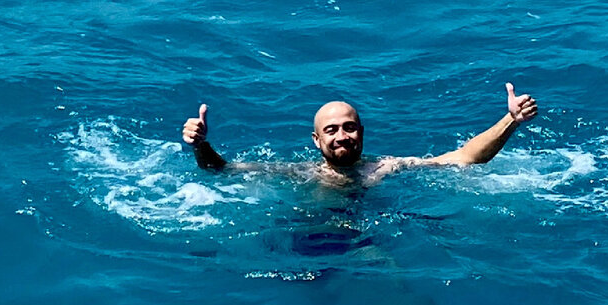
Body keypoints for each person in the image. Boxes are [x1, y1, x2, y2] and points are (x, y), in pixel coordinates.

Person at [182, 83, 538, 184]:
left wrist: (510, 121)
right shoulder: (297, 173)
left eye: (349, 127)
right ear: (316, 140)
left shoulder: (387, 167)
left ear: (362, 133)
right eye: (331, 130)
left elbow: (465, 158)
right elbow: (221, 171)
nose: (342, 136)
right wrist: (201, 144)